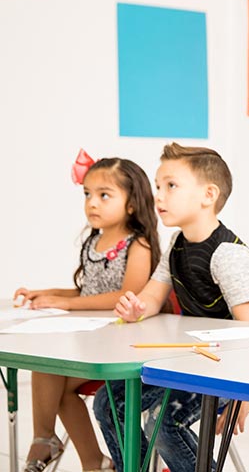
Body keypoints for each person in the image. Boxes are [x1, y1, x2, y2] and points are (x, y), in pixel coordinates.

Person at [93, 143, 249, 472]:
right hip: (191, 360)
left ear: (208, 195)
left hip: (229, 367)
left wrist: (244, 393)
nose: (159, 196)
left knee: (163, 423)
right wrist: (136, 308)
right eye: (158, 186)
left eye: (171, 186)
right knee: (107, 404)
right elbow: (153, 297)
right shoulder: (177, 244)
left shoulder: (228, 254)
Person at [14, 156, 160, 472]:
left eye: (104, 195)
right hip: (91, 336)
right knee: (48, 364)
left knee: (53, 368)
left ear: (132, 204)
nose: (92, 203)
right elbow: (89, 292)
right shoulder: (94, 240)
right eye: (87, 194)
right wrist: (50, 294)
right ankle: (74, 452)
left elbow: (126, 296)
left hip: (119, 344)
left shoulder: (139, 244)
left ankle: (63, 449)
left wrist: (67, 304)